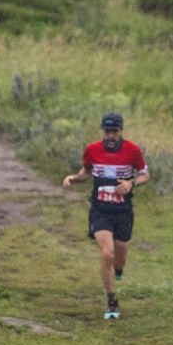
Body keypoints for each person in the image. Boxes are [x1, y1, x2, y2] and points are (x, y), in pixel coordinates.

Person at [62, 112, 147, 319]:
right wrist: (73, 178)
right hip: (100, 210)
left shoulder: (133, 150)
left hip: (123, 211)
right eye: (107, 132)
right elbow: (86, 172)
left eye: (114, 132)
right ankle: (112, 301)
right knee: (107, 253)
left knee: (119, 259)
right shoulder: (92, 150)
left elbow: (145, 174)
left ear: (121, 131)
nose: (110, 136)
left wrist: (131, 183)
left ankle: (117, 270)